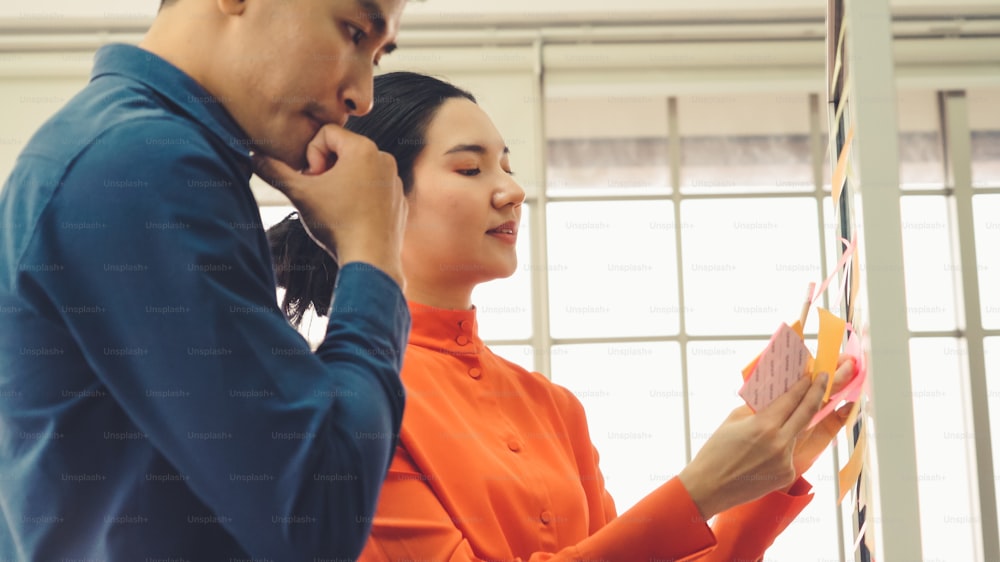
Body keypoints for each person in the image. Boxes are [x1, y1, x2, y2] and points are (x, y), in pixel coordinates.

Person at [268, 71, 857, 561]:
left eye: (507, 165)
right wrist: (699, 490)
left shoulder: (553, 407)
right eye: (471, 170)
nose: (513, 190)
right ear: (380, 194)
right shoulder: (343, 401)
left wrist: (768, 474)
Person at [0, 0, 411, 559]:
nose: (363, 95)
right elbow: (318, 518)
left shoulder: (142, 152)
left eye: (378, 56)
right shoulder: (142, 166)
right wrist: (374, 256)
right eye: (354, 31)